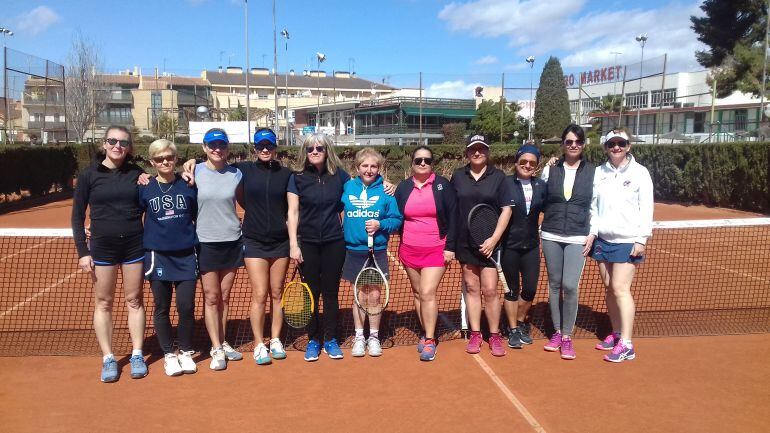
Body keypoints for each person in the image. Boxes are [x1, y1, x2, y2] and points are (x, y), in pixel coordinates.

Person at [71, 125, 148, 383]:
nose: (117, 146)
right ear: (104, 143)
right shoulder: (89, 176)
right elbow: (77, 216)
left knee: (134, 300)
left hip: (134, 245)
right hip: (102, 247)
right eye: (112, 141)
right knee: (103, 302)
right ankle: (108, 358)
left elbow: (155, 195)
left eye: (123, 143)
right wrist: (83, 251)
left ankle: (137, 353)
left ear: (129, 148)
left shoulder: (137, 174)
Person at [588, 128, 653, 363]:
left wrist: (641, 239)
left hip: (627, 240)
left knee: (620, 288)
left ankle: (627, 344)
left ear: (629, 146)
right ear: (606, 147)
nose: (616, 147)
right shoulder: (599, 172)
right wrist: (593, 232)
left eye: (621, 143)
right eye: (612, 144)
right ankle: (616, 334)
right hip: (603, 240)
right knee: (609, 287)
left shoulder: (640, 173)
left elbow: (647, 207)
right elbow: (593, 207)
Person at [287, 133, 349, 361]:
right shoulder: (297, 177)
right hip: (308, 244)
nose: (314, 151)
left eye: (319, 148)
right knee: (311, 292)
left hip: (334, 242)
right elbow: (292, 212)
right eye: (310, 148)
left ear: (327, 151)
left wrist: (387, 184)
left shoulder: (340, 176)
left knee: (331, 293)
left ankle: (331, 339)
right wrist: (294, 244)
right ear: (305, 151)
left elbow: (363, 187)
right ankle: (314, 339)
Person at [139, 139, 198, 376]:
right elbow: (129, 213)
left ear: (176, 159)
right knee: (162, 307)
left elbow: (195, 214)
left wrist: (194, 163)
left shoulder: (189, 185)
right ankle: (168, 354)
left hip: (186, 255)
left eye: (169, 157)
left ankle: (185, 351)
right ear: (152, 162)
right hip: (158, 256)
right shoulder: (144, 187)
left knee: (186, 307)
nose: (165, 162)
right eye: (159, 159)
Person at [451, 134, 513, 357]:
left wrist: (494, 239)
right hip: (465, 243)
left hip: (490, 244)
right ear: (467, 152)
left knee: (489, 290)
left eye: (482, 149)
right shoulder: (458, 176)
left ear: (487, 152)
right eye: (473, 149)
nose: (477, 152)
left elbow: (507, 209)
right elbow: (451, 208)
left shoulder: (499, 177)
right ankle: (476, 333)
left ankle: (494, 334)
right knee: (472, 288)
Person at [394, 145, 457, 361]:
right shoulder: (402, 187)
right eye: (419, 160)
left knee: (428, 291)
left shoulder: (442, 186)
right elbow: (394, 212)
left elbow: (454, 216)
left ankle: (430, 339)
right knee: (417, 292)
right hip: (409, 248)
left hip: (436, 248)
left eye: (427, 160)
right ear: (412, 163)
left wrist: (450, 246)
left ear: (432, 164)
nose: (423, 163)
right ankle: (424, 332)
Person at [540, 124, 595, 360]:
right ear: (563, 144)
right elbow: (540, 198)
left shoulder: (594, 172)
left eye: (578, 142)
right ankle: (557, 332)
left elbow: (595, 206)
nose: (573, 145)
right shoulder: (550, 169)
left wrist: (592, 232)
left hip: (577, 236)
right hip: (551, 234)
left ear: (583, 145)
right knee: (554, 284)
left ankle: (567, 336)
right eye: (569, 141)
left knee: (570, 285)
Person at [238, 128, 292, 365]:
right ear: (254, 148)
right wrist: (190, 164)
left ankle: (276, 339)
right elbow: (212, 167)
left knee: (277, 292)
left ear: (275, 147)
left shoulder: (286, 173)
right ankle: (260, 343)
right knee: (260, 294)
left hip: (281, 242)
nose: (265, 149)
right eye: (260, 146)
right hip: (254, 240)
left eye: (269, 145)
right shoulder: (243, 170)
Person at [341, 148, 402, 358]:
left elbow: (396, 220)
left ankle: (373, 337)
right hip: (353, 250)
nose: (369, 170)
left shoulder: (386, 192)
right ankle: (359, 336)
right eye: (365, 166)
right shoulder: (347, 187)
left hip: (377, 251)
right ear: (357, 168)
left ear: (379, 168)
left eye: (373, 166)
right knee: (359, 295)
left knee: (374, 295)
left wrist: (380, 224)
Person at [194, 128, 245, 370]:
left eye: (222, 145)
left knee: (224, 297)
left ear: (227, 148)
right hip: (205, 242)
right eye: (212, 145)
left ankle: (223, 342)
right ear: (204, 147)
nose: (217, 149)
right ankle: (215, 347)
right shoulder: (193, 171)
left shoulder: (236, 174)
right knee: (211, 297)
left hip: (232, 241)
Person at [501, 144, 547, 349]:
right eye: (523, 161)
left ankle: (520, 322)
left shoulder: (541, 186)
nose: (527, 165)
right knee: (512, 290)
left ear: (536, 166)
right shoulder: (505, 183)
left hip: (531, 246)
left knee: (529, 289)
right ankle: (511, 328)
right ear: (516, 162)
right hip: (509, 246)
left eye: (532, 163)